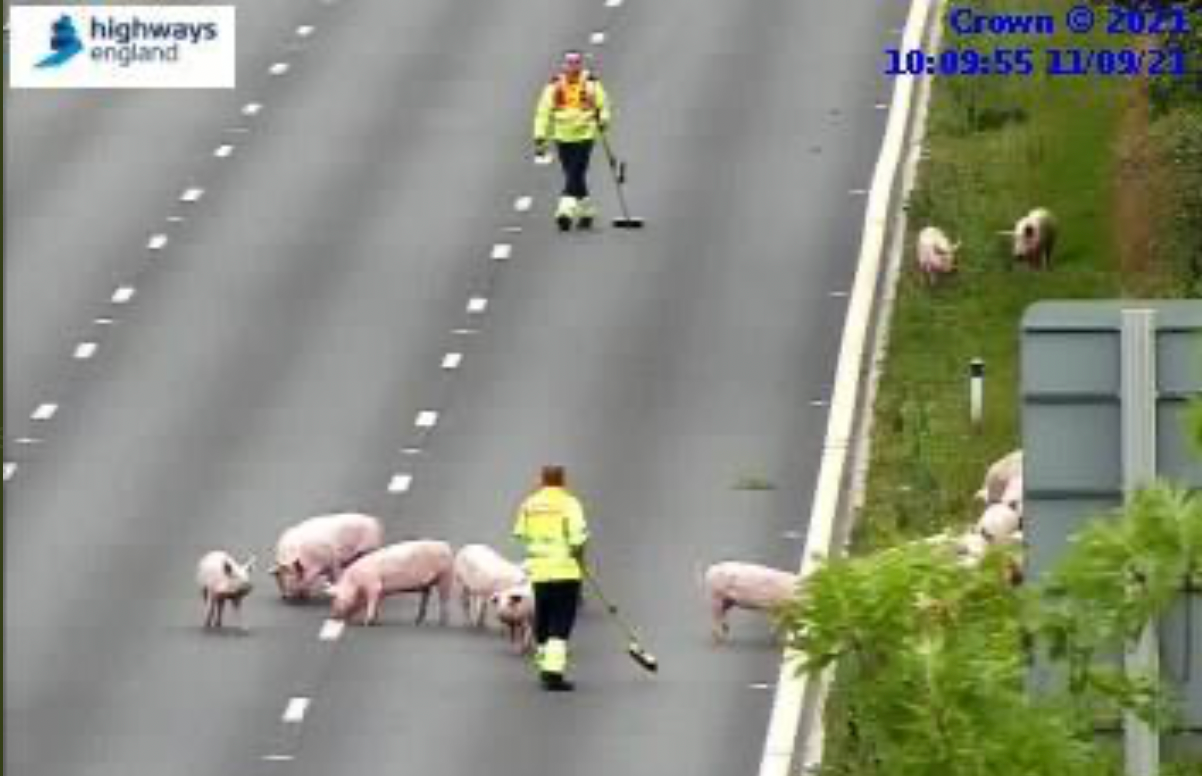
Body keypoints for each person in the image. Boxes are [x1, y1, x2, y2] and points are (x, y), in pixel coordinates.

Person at [512, 465, 590, 691]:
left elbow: (520, 533)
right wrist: (582, 562)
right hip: (565, 571)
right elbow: (578, 539)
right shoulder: (570, 503)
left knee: (543, 617)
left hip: (539, 571)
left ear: (541, 480)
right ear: (563, 480)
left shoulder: (529, 503)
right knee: (561, 622)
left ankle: (543, 661)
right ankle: (553, 673)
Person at [532, 50, 612, 232]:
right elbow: (543, 112)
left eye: (576, 62)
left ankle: (564, 211)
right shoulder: (554, 86)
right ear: (563, 65)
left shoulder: (592, 84)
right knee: (574, 174)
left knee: (575, 172)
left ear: (581, 64)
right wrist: (540, 136)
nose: (572, 66)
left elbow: (604, 105)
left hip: (585, 135)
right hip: (562, 136)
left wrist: (604, 121)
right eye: (569, 62)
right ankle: (587, 211)